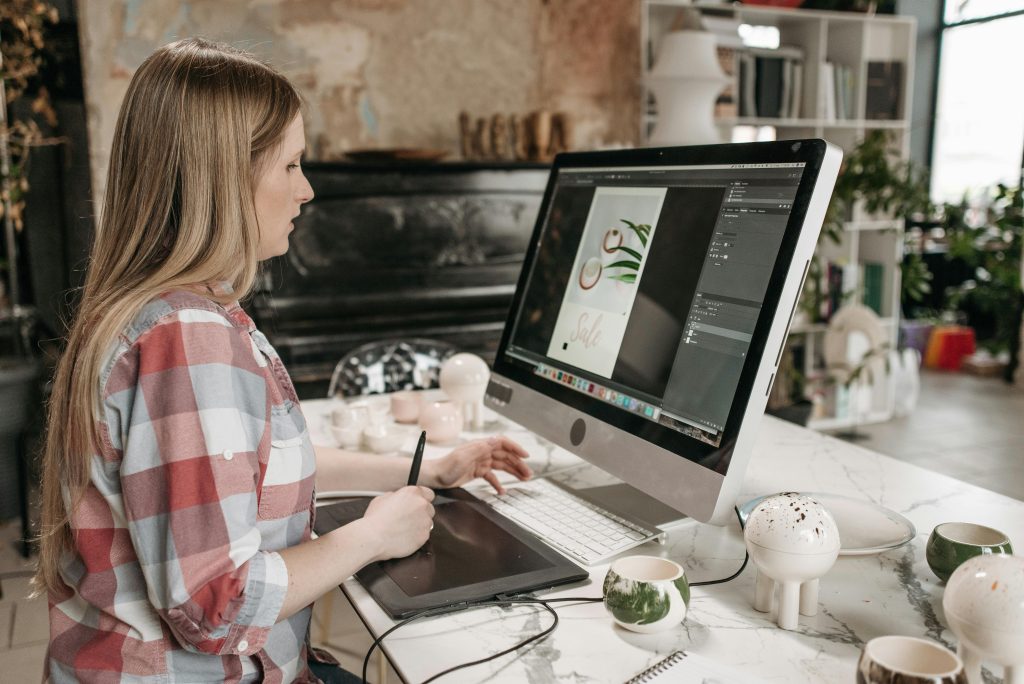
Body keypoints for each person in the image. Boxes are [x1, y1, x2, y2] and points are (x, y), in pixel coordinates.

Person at [36, 38, 532, 683]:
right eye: (292, 165)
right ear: (224, 176)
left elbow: (241, 470)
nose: (308, 190)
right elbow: (216, 608)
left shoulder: (165, 312)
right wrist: (372, 537)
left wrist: (425, 469)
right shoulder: (186, 340)